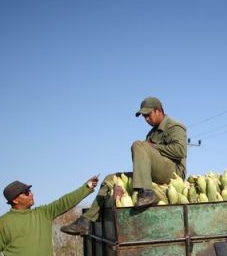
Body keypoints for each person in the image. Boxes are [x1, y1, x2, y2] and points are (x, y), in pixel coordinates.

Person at [61, 96, 186, 235]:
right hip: (156, 172)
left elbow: (180, 151)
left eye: (148, 115)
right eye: (144, 116)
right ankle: (86, 221)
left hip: (173, 173)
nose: (146, 119)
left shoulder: (174, 126)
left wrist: (153, 146)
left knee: (138, 144)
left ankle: (147, 193)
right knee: (111, 178)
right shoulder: (151, 133)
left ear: (159, 110)